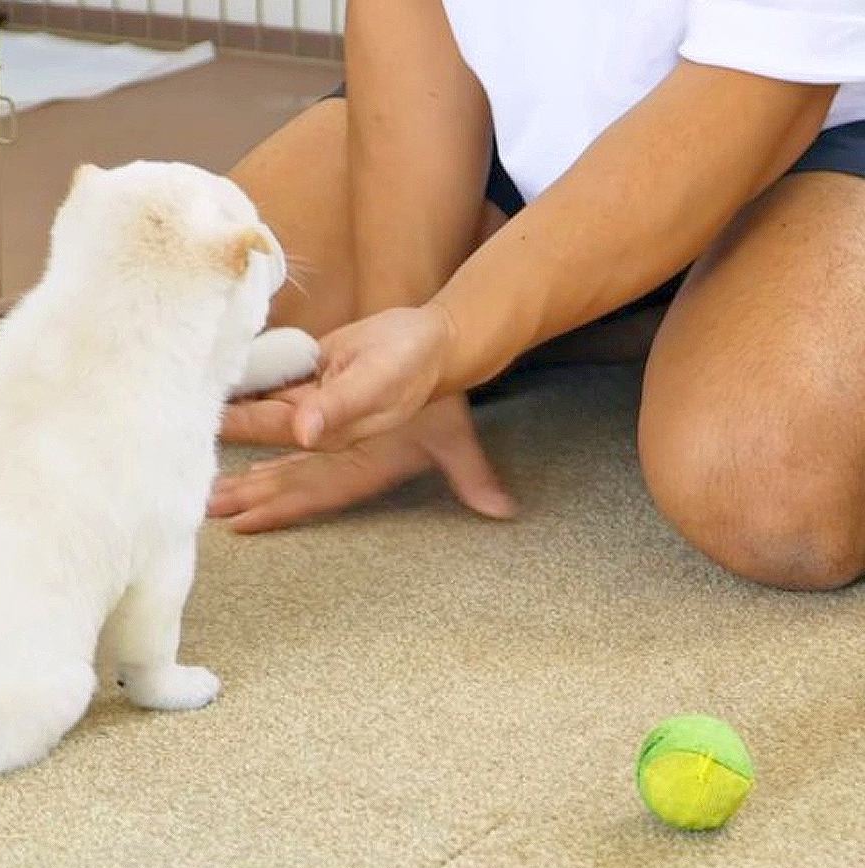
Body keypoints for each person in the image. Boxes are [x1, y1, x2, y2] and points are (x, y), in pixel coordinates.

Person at [207, 0, 865, 591]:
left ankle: (631, 308)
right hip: (537, 101)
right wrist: (404, 339)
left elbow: (751, 96)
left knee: (774, 496)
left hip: (811, 104)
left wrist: (454, 334)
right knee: (204, 320)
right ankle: (625, 316)